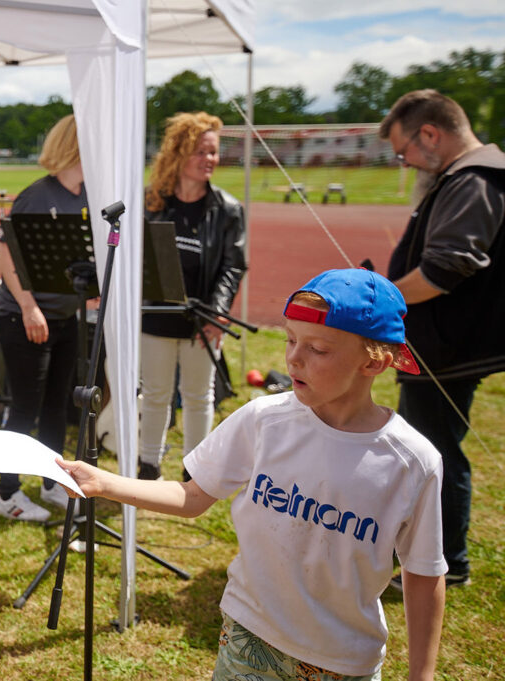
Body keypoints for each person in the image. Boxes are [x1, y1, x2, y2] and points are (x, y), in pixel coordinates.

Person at [60, 268, 447, 681]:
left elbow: (423, 572)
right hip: (247, 636)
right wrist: (102, 482)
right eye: (291, 339)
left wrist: (420, 676)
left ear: (376, 362)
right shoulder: (264, 420)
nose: (294, 358)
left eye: (317, 348)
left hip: (341, 661)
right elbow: (192, 497)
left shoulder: (412, 462)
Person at [380, 89, 505, 589]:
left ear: (429, 133)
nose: (405, 162)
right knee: (427, 446)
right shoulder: (466, 176)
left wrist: (386, 296)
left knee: (433, 453)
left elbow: (447, 266)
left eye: (403, 151)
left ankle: (447, 561)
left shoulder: (475, 178)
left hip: (450, 349)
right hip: (441, 344)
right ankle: (432, 552)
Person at [138, 111, 246, 481]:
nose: (209, 160)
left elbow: (233, 267)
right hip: (155, 315)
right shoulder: (151, 203)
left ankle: (195, 472)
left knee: (200, 396)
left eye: (213, 152)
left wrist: (218, 313)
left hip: (203, 319)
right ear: (179, 153)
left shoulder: (228, 209)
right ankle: (148, 467)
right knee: (155, 394)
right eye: (201, 151)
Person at [0, 113, 85, 522]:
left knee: (57, 408)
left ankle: (49, 483)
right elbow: (4, 254)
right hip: (23, 317)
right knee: (25, 408)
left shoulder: (89, 196)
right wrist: (29, 306)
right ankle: (6, 493)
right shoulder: (35, 197)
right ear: (77, 146)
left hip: (66, 318)